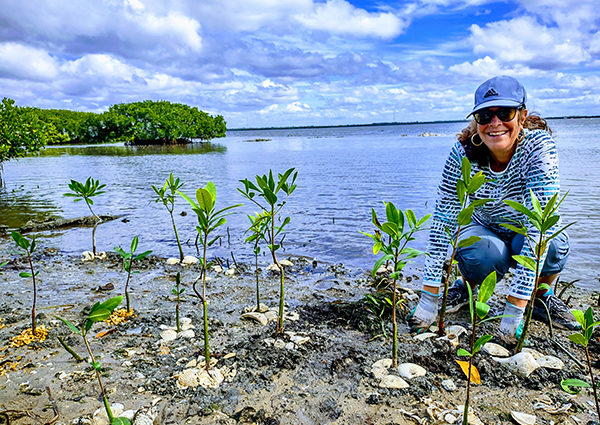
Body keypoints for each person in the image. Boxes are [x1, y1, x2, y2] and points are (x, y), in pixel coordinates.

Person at [408, 75, 578, 344]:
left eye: (505, 113)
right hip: (485, 228)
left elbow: (538, 226)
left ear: (522, 116)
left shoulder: (539, 147)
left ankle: (540, 296)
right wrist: (429, 299)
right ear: (476, 121)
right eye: (485, 115)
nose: (495, 123)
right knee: (482, 252)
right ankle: (466, 286)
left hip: (526, 230)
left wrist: (513, 311)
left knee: (554, 242)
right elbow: (443, 220)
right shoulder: (461, 153)